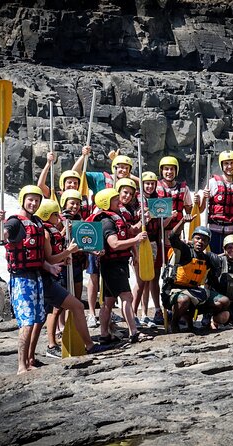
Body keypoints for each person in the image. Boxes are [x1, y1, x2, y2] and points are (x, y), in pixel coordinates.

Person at [71, 146, 138, 329]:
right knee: (93, 274)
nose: (122, 170)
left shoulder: (127, 189)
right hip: (98, 229)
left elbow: (140, 183)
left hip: (115, 236)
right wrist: (83, 156)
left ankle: (107, 317)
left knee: (109, 281)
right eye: (119, 167)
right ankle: (92, 313)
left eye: (126, 168)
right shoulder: (102, 178)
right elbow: (76, 174)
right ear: (113, 167)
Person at [35, 198, 110, 358]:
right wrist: (67, 251)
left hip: (60, 273)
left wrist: (76, 253)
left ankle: (64, 344)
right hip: (52, 277)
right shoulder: (47, 233)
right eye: (57, 215)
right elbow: (51, 258)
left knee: (66, 306)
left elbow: (68, 248)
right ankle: (54, 345)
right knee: (58, 309)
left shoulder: (50, 229)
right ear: (48, 215)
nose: (59, 218)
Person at [0, 185, 51, 375]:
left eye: (37, 200)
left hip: (36, 277)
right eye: (30, 199)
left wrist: (50, 266)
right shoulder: (15, 222)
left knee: (36, 320)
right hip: (21, 279)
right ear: (23, 200)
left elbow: (40, 256)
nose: (33, 203)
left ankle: (29, 360)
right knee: (27, 322)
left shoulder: (37, 222)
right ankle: (21, 366)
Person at [87, 188, 153, 344]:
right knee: (127, 297)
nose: (119, 200)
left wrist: (144, 220)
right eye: (115, 199)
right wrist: (136, 240)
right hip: (113, 265)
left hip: (116, 264)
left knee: (108, 302)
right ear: (106, 203)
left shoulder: (118, 216)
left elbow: (131, 231)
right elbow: (114, 244)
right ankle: (134, 332)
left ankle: (104, 335)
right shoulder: (106, 221)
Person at [161, 214, 229, 333]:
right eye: (197, 238)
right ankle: (174, 323)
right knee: (184, 300)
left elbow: (217, 263)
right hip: (173, 291)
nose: (200, 242)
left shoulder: (206, 257)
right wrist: (182, 221)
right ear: (193, 239)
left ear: (208, 243)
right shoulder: (185, 250)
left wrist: (226, 254)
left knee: (223, 301)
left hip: (194, 291)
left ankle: (205, 320)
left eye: (204, 240)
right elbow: (172, 237)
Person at [132, 171, 173, 327]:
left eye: (152, 184)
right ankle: (134, 313)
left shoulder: (158, 201)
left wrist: (169, 217)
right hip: (141, 243)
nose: (149, 186)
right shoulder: (135, 201)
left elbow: (161, 226)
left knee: (152, 277)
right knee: (141, 280)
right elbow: (133, 227)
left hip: (155, 242)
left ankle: (151, 312)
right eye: (146, 184)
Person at [198, 150, 233, 253]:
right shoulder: (213, 182)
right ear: (221, 166)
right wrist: (202, 199)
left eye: (232, 163)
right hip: (214, 231)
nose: (229, 166)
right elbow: (201, 209)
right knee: (214, 263)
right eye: (226, 163)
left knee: (231, 264)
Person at [156, 156, 195, 251]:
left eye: (172, 169)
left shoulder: (184, 189)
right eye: (166, 169)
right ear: (161, 171)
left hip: (177, 231)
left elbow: (189, 210)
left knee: (175, 259)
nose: (169, 172)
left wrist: (196, 203)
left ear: (176, 171)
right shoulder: (156, 187)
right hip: (159, 232)